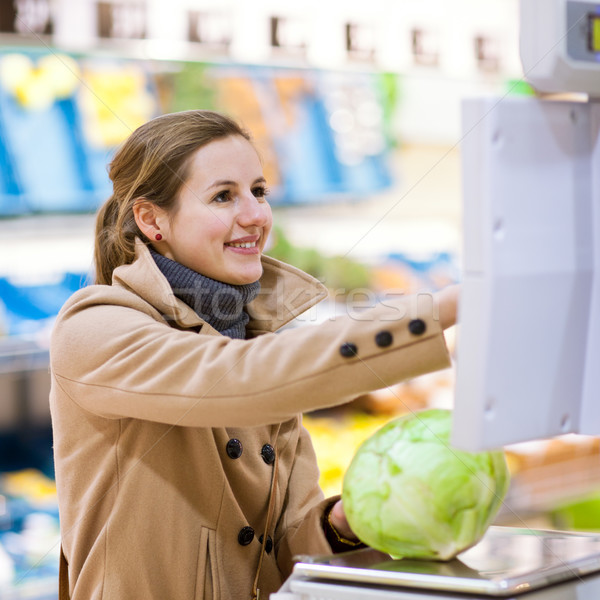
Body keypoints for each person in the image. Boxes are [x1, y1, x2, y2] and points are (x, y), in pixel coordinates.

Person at [49, 110, 459, 600]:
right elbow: (237, 379)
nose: (256, 215)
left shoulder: (255, 337)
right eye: (224, 196)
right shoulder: (95, 326)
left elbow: (287, 551)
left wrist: (346, 522)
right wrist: (446, 308)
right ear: (152, 219)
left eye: (259, 192)